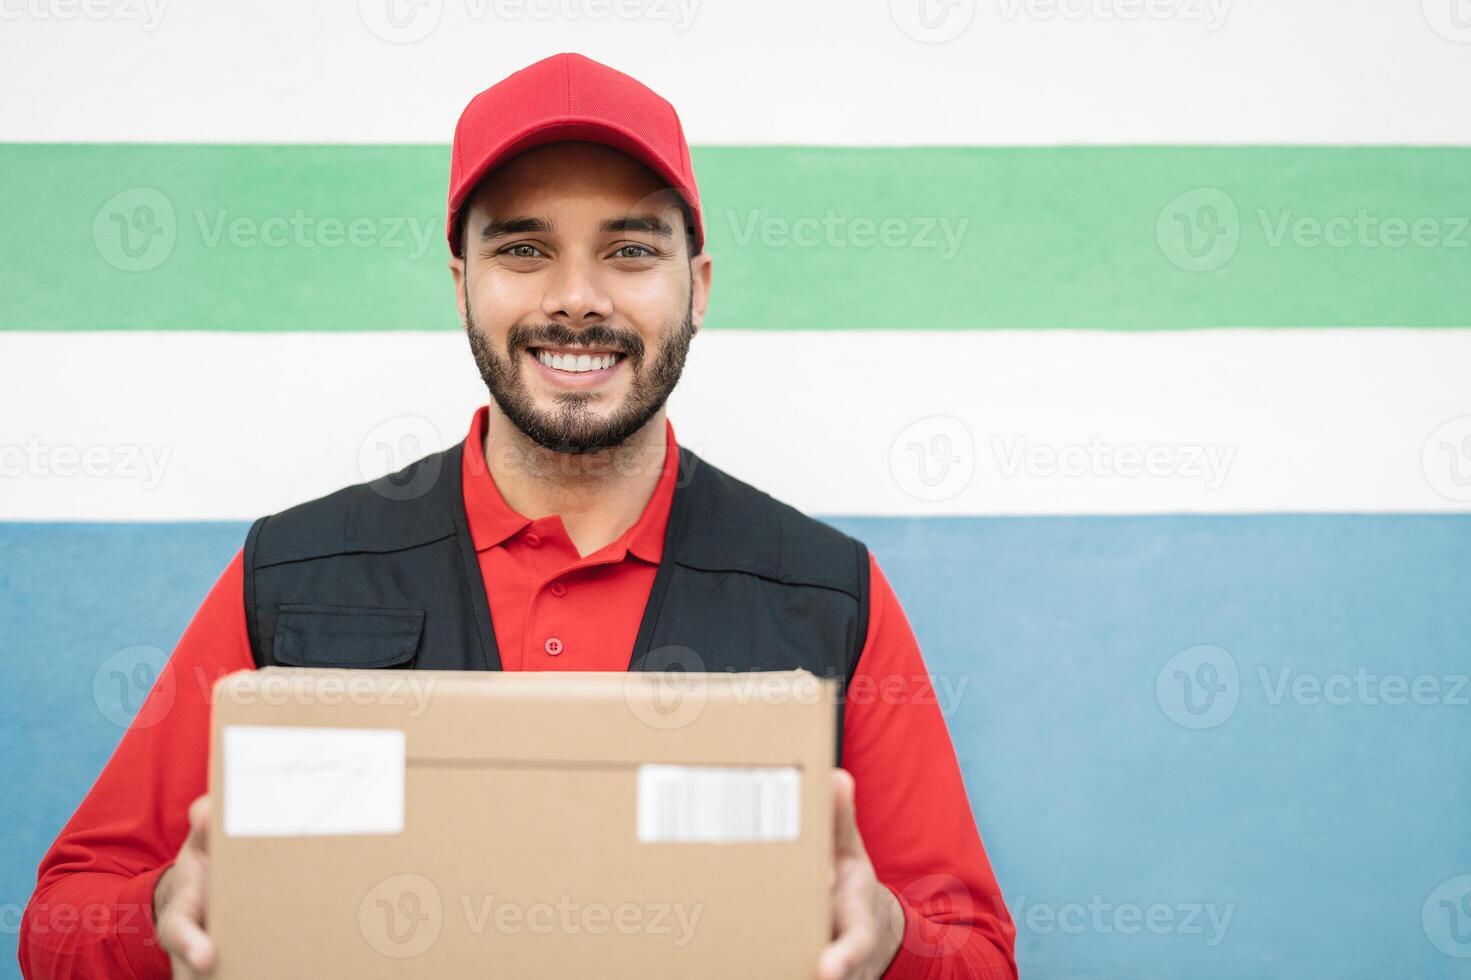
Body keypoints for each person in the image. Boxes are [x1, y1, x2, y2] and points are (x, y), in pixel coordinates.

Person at [19, 52, 1017, 980]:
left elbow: (979, 952)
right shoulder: (290, 571)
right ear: (462, 282)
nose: (576, 298)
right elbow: (57, 921)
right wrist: (165, 911)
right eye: (524, 247)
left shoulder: (824, 591)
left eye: (629, 249)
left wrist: (889, 938)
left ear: (697, 289)